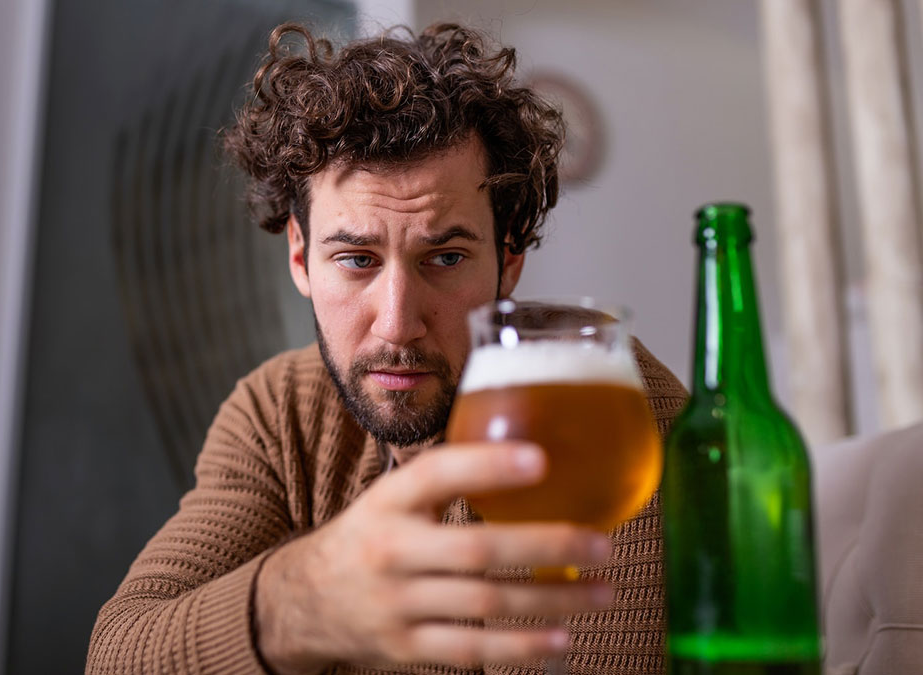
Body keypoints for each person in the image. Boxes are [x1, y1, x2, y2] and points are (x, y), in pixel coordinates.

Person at [86, 22, 686, 675]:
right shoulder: (279, 412)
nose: (398, 323)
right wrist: (302, 601)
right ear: (300, 257)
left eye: (447, 256)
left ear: (507, 260)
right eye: (357, 259)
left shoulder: (603, 410)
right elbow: (120, 655)